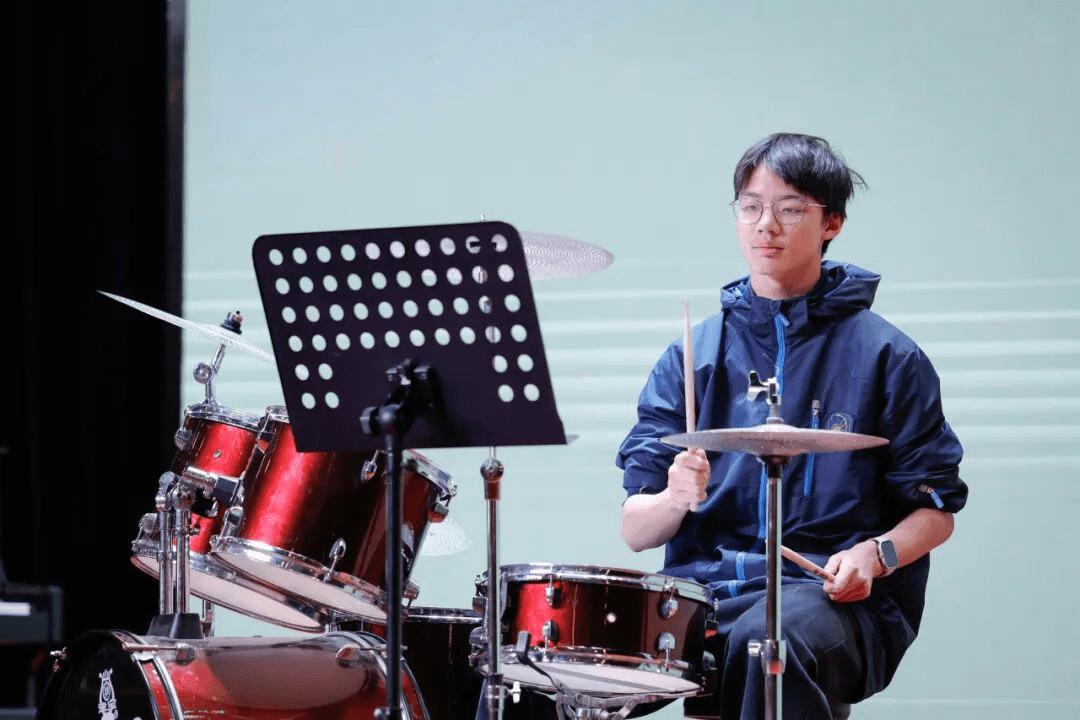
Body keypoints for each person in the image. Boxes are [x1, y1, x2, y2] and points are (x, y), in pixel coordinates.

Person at [616, 132, 968, 720]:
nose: (765, 226)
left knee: (766, 642)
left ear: (832, 223)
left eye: (789, 209)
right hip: (704, 594)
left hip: (831, 599)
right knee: (535, 662)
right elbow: (635, 531)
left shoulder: (888, 356)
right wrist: (673, 498)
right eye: (750, 207)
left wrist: (875, 554)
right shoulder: (693, 356)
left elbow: (936, 512)